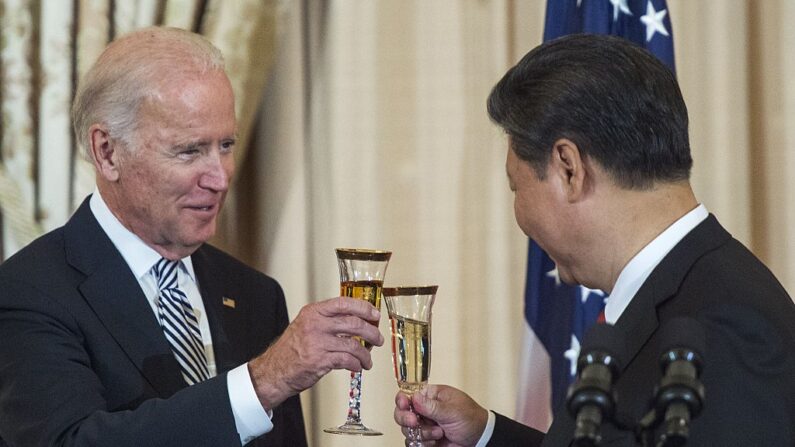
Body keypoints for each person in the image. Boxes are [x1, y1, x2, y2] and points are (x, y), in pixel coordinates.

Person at [394, 34, 795, 446]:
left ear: (569, 168)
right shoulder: (689, 287)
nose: (519, 215)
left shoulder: (728, 334)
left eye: (517, 188)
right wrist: (487, 436)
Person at [0, 27, 384, 447]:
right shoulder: (29, 291)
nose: (220, 178)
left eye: (226, 144)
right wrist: (262, 382)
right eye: (189, 150)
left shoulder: (255, 294)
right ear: (107, 151)